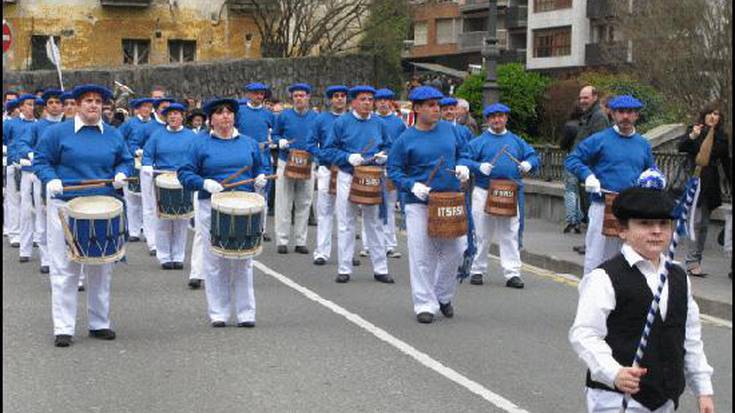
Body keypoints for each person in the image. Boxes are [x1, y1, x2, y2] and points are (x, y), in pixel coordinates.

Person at [569, 186, 715, 413]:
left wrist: (703, 390)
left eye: (663, 224)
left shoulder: (678, 277)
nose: (656, 231)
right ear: (622, 230)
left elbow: (690, 336)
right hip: (616, 399)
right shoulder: (604, 277)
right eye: (645, 224)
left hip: (665, 398)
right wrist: (614, 372)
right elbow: (585, 334)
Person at [34, 84, 133, 347]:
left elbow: (125, 159)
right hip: (66, 206)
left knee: (101, 268)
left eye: (98, 101)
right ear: (77, 105)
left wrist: (122, 172)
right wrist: (51, 179)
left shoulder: (112, 134)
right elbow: (41, 161)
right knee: (65, 268)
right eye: (88, 100)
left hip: (102, 205)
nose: (93, 105)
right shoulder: (57, 133)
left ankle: (99, 323)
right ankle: (63, 327)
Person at [178, 97, 268, 327]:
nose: (225, 116)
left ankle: (246, 313)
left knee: (243, 260)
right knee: (214, 260)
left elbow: (261, 166)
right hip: (213, 205)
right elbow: (185, 173)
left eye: (229, 112)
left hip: (245, 205)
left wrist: (260, 179)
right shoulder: (199, 144)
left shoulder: (248, 143)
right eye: (219, 113)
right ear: (211, 119)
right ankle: (219, 313)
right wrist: (204, 183)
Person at [387, 86, 469, 323]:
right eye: (431, 106)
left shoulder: (451, 131)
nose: (437, 110)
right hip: (419, 203)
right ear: (417, 109)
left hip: (449, 200)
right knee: (422, 255)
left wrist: (463, 166)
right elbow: (394, 170)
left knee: (455, 251)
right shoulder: (405, 139)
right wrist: (412, 185)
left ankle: (443, 295)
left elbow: (465, 152)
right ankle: (424, 303)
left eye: (438, 105)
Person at [565, 95, 657, 276]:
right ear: (613, 115)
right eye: (621, 112)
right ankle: (590, 298)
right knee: (596, 258)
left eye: (630, 113)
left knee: (629, 259)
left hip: (631, 208)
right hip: (603, 205)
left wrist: (655, 180)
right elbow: (573, 159)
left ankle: (620, 300)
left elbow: (650, 171)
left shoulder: (643, 144)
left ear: (636, 115)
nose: (625, 117)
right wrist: (588, 176)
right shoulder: (600, 139)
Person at [461, 103, 540, 289]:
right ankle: (477, 270)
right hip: (484, 190)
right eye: (493, 117)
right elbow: (463, 159)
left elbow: (534, 156)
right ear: (488, 120)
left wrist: (529, 163)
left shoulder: (516, 141)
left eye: (501, 116)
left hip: (508, 191)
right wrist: (478, 167)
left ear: (506, 118)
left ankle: (512, 273)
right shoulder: (478, 142)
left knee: (510, 233)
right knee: (481, 232)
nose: (497, 120)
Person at [323, 85, 393, 284]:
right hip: (348, 174)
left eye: (370, 99)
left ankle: (381, 268)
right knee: (346, 222)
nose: (367, 103)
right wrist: (347, 156)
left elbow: (389, 146)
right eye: (362, 99)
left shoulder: (379, 123)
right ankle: (344, 268)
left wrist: (383, 157)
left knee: (375, 222)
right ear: (353, 102)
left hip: (372, 176)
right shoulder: (342, 122)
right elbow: (328, 150)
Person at [677, 101, 731, 278]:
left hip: (710, 184)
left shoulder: (721, 136)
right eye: (710, 113)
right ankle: (692, 262)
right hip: (694, 181)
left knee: (704, 225)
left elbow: (725, 160)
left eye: (716, 114)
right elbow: (682, 147)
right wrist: (693, 135)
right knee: (696, 222)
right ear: (704, 115)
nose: (713, 117)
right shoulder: (695, 130)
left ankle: (696, 260)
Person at [142, 103, 197, 271]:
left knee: (182, 221)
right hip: (162, 180)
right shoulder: (157, 135)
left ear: (182, 116)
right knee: (163, 220)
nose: (173, 117)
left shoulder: (192, 136)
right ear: (166, 117)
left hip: (183, 180)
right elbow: (148, 154)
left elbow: (198, 155)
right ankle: (164, 256)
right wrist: (147, 165)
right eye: (170, 114)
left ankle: (179, 256)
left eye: (177, 114)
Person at [17, 89, 65, 273]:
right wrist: (32, 155)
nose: (55, 105)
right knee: (43, 215)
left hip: (64, 176)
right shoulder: (37, 127)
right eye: (51, 103)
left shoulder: (69, 125)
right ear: (45, 107)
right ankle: (46, 258)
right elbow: (22, 144)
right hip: (42, 176)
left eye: (58, 102)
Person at [272, 83, 318, 254]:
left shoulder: (315, 117)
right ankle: (282, 240)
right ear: (292, 98)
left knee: (304, 201)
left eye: (302, 95)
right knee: (284, 200)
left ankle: (301, 241)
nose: (299, 98)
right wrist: (280, 142)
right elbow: (275, 135)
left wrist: (318, 158)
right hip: (286, 161)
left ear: (308, 97)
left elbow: (321, 138)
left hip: (307, 162)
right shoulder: (283, 116)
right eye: (296, 95)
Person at [131, 96, 175, 257]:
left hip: (170, 174)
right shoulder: (148, 127)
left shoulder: (175, 128)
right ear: (156, 110)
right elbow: (133, 144)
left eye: (171, 108)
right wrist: (139, 152)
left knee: (169, 209)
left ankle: (168, 243)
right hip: (151, 171)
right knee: (150, 207)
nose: (168, 111)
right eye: (164, 107)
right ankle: (152, 242)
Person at [311, 85, 348, 265]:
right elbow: (311, 143)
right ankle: (321, 252)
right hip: (326, 169)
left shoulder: (352, 120)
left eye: (342, 96)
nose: (340, 99)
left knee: (346, 214)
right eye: (336, 96)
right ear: (330, 99)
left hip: (347, 171)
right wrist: (322, 156)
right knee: (325, 211)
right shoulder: (321, 119)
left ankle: (346, 254)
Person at [572, 86, 611, 255]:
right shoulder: (589, 115)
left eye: (585, 97)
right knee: (587, 208)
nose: (582, 101)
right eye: (581, 98)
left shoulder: (598, 117)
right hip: (585, 169)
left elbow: (599, 145)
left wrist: (590, 169)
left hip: (592, 171)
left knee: (592, 209)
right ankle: (589, 243)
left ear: (595, 97)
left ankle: (593, 245)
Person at [236, 82, 276, 242]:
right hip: (243, 157)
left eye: (261, 94)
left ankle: (261, 228)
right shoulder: (240, 112)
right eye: (256, 93)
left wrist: (271, 142)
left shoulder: (269, 114)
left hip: (263, 158)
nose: (259, 96)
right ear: (248, 94)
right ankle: (243, 227)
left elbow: (276, 134)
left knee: (262, 193)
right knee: (243, 191)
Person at [374, 88, 406, 259]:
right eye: (380, 100)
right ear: (376, 102)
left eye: (387, 100)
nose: (383, 103)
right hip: (373, 168)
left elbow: (403, 146)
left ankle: (390, 244)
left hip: (391, 168)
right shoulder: (371, 120)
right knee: (371, 206)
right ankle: (368, 244)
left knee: (390, 207)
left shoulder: (399, 123)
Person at [117, 97, 155, 242]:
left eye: (148, 107)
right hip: (132, 162)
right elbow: (118, 139)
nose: (146, 110)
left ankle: (147, 229)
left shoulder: (154, 124)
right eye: (143, 107)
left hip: (148, 163)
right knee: (131, 199)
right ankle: (133, 230)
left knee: (148, 199)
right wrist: (132, 151)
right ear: (137, 109)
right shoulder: (129, 123)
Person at [4, 94, 37, 249]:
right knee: (13, 201)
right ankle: (14, 233)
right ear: (21, 107)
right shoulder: (11, 124)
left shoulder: (38, 124)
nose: (31, 107)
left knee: (34, 203)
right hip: (14, 165)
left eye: (33, 104)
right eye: (28, 104)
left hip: (33, 167)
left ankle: (36, 234)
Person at [559, 104, 585, 234]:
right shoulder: (587, 125)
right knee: (580, 191)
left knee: (570, 190)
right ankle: (580, 219)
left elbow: (563, 144)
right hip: (585, 160)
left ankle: (571, 220)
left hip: (572, 158)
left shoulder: (570, 126)